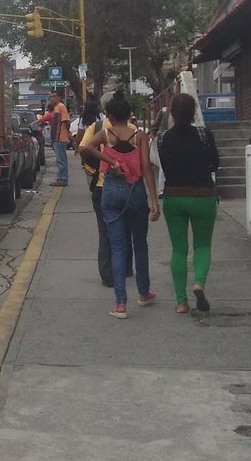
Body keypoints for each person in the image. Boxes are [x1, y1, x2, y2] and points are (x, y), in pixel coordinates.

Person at [78, 93, 160, 318]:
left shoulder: (106, 133)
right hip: (135, 192)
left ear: (111, 116)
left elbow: (85, 149)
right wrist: (154, 201)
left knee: (117, 246)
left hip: (111, 192)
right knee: (140, 244)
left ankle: (120, 303)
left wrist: (109, 161)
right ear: (129, 115)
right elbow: (146, 169)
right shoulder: (140, 136)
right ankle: (144, 293)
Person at [157, 93, 220, 314]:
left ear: (172, 113)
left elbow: (164, 166)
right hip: (203, 195)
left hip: (174, 197)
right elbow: (215, 163)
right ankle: (199, 283)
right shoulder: (204, 135)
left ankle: (181, 302)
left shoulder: (163, 138)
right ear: (193, 111)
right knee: (202, 246)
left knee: (179, 249)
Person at [77, 99, 132, 287]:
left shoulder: (98, 127)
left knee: (106, 232)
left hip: (102, 186)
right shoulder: (134, 130)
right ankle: (126, 268)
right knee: (126, 229)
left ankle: (108, 275)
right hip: (129, 186)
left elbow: (83, 148)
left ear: (108, 113)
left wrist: (104, 161)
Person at [39, 91, 72, 186]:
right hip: (56, 138)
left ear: (59, 97)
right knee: (59, 159)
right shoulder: (56, 108)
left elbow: (66, 121)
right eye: (50, 97)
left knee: (61, 159)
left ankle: (63, 179)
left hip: (60, 138)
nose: (52, 98)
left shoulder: (61, 106)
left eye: (54, 96)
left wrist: (66, 132)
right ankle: (60, 178)